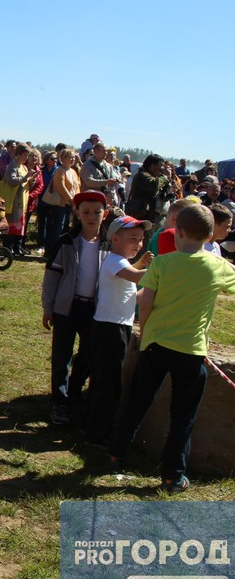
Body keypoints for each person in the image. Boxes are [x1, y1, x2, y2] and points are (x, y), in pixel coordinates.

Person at [109, 205, 235, 492]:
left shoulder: (163, 263)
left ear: (177, 231)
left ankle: (116, 453)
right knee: (183, 416)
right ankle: (173, 476)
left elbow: (146, 302)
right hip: (191, 351)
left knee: (137, 401)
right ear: (210, 236)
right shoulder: (218, 266)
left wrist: (147, 331)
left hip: (156, 345)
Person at [83, 216, 153, 447]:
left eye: (141, 239)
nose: (138, 244)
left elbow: (132, 297)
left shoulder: (123, 264)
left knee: (105, 380)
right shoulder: (116, 261)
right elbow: (137, 276)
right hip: (109, 328)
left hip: (116, 325)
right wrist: (165, 268)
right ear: (114, 238)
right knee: (109, 383)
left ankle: (93, 424)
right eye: (132, 238)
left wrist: (153, 290)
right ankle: (99, 433)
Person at [41, 190, 109, 426]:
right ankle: (60, 402)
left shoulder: (111, 244)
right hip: (66, 308)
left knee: (90, 355)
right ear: (77, 213)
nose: (91, 217)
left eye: (96, 212)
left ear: (105, 214)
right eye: (86, 212)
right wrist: (48, 307)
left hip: (95, 310)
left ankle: (75, 391)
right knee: (62, 355)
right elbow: (52, 277)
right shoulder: (66, 241)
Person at [0, 142, 35, 255]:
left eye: (27, 155)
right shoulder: (12, 166)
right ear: (18, 154)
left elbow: (26, 184)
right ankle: (8, 247)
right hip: (13, 200)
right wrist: (26, 177)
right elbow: (11, 181)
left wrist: (32, 180)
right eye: (24, 155)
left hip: (22, 201)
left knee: (20, 225)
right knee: (11, 224)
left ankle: (17, 247)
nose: (26, 158)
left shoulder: (24, 167)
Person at [42, 148, 81, 257]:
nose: (72, 159)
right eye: (70, 157)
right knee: (56, 228)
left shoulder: (73, 171)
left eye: (73, 157)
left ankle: (59, 251)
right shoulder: (60, 171)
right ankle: (51, 251)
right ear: (63, 158)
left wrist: (77, 200)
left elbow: (77, 187)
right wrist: (71, 200)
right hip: (59, 204)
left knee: (64, 228)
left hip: (70, 204)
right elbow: (61, 187)